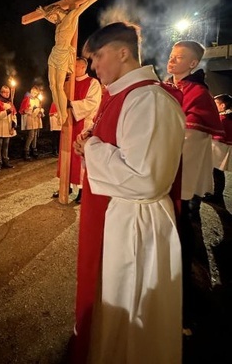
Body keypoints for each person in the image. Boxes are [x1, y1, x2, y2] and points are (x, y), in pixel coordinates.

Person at [72, 21, 186, 364]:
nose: (93, 68)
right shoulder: (123, 96)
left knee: (131, 309)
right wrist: (87, 144)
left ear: (124, 52)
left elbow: (146, 178)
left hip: (138, 222)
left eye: (97, 58)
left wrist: (91, 148)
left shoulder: (148, 99)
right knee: (114, 304)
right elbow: (112, 147)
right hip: (119, 213)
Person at [166, 39, 223, 335]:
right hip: (168, 173)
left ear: (193, 64)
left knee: (186, 233)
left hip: (183, 177)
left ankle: (188, 304)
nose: (172, 60)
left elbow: (193, 139)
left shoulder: (198, 93)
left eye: (180, 57)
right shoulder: (167, 85)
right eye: (171, 55)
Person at [42, 0, 119, 127]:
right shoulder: (58, 22)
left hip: (63, 53)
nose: (51, 18)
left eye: (52, 14)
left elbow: (89, 2)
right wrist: (43, 13)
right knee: (52, 85)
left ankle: (62, 114)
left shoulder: (71, 17)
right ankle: (60, 110)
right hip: (55, 53)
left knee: (58, 85)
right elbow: (48, 16)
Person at [52, 57, 101, 202]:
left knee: (79, 157)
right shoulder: (67, 83)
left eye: (75, 67)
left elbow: (92, 103)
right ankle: (64, 186)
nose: (72, 70)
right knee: (65, 155)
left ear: (83, 67)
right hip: (68, 124)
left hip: (82, 124)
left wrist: (71, 104)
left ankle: (81, 190)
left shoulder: (93, 83)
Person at [204, 93, 232, 203]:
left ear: (223, 106)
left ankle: (216, 195)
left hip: (218, 147)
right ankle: (216, 193)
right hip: (222, 148)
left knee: (216, 172)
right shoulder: (228, 118)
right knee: (217, 172)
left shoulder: (222, 119)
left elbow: (216, 133)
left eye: (216, 104)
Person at [0, 85, 17, 173]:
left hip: (7, 127)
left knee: (6, 144)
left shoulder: (10, 103)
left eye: (8, 92)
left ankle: (5, 160)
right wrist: (8, 111)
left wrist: (13, 125)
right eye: (5, 92)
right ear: (1, 93)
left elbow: (14, 116)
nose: (7, 94)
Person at [19, 85, 45, 160]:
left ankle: (34, 149)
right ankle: (26, 151)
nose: (34, 93)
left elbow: (39, 108)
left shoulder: (37, 100)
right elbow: (24, 110)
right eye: (33, 91)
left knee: (35, 135)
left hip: (36, 119)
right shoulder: (27, 99)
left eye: (36, 92)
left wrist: (40, 112)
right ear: (31, 90)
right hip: (30, 118)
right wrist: (33, 110)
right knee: (31, 135)